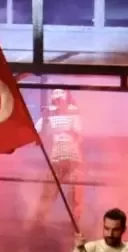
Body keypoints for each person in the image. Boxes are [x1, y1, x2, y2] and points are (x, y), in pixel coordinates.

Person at [31, 88, 84, 229]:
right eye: (55, 93)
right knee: (49, 190)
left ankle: (76, 223)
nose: (58, 96)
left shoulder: (73, 112)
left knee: (75, 193)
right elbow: (35, 131)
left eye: (61, 93)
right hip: (56, 156)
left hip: (72, 155)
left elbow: (79, 134)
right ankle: (39, 222)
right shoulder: (49, 114)